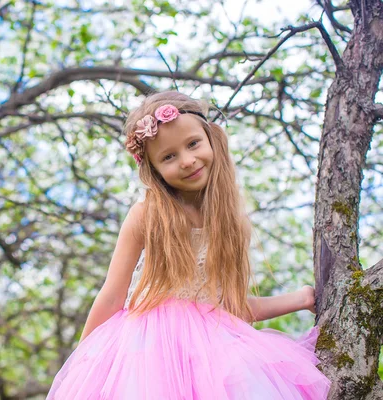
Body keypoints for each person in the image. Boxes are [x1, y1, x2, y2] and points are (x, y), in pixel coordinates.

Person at [46, 91, 330, 399]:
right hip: (146, 354)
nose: (187, 160)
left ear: (211, 139)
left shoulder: (229, 222)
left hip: (215, 353)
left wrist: (300, 298)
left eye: (193, 144)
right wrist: (83, 364)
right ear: (154, 170)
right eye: (169, 157)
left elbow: (234, 308)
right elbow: (112, 294)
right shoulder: (147, 216)